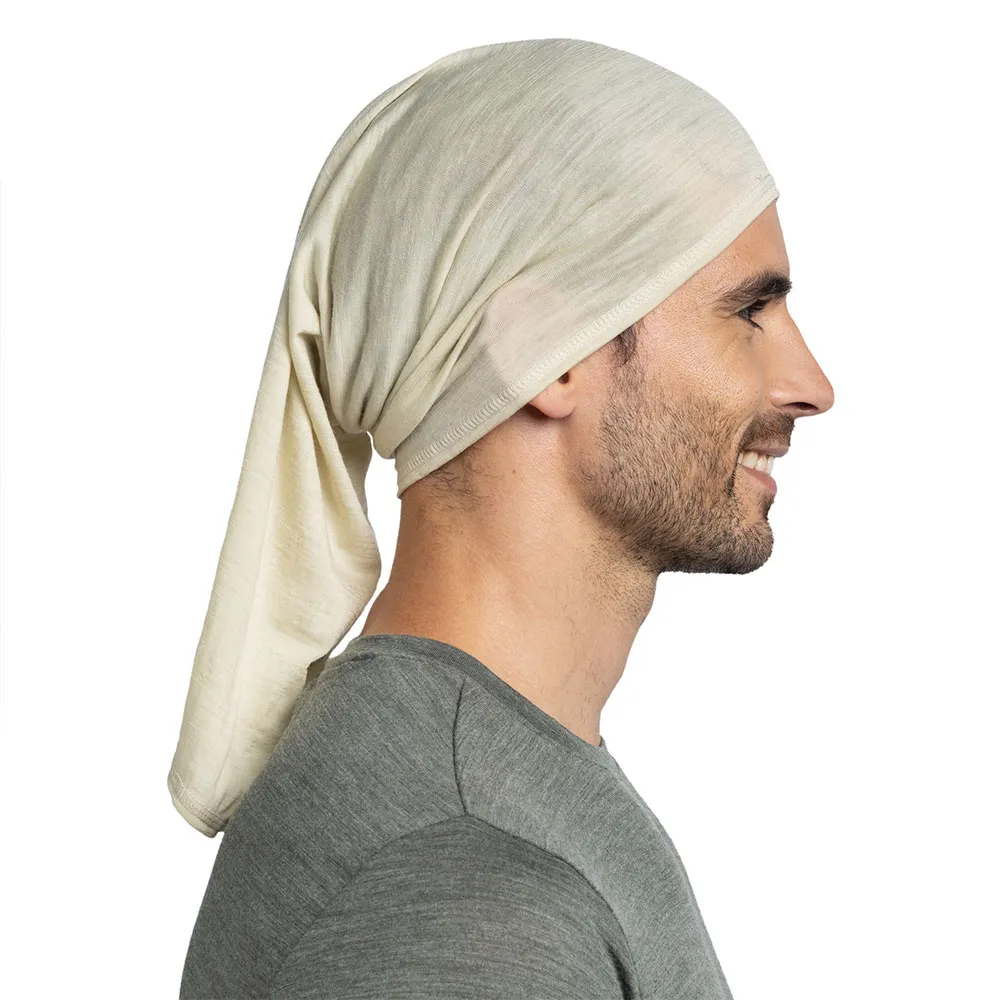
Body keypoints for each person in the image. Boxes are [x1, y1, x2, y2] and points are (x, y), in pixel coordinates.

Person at [175, 38, 833, 1000]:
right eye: (749, 313)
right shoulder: (459, 890)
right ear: (547, 352)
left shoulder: (487, 788)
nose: (811, 384)